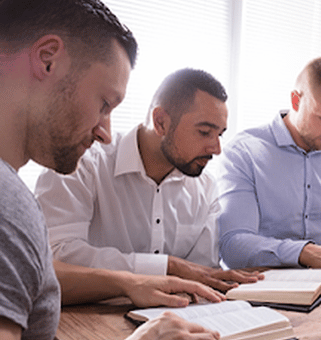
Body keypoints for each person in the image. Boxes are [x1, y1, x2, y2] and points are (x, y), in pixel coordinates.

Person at [0, 0, 225, 340]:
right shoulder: (9, 210)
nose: (105, 133)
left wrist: (127, 282)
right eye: (104, 103)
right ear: (47, 59)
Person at [36, 68, 262, 292]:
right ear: (161, 122)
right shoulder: (82, 163)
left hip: (174, 315)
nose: (216, 148)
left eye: (220, 134)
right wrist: (167, 267)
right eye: (204, 132)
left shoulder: (206, 187)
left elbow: (201, 273)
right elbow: (57, 256)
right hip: (84, 319)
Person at [216, 56, 321, 277]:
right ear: (296, 101)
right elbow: (232, 246)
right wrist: (305, 253)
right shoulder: (244, 153)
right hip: (260, 286)